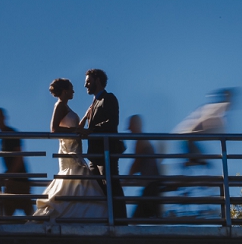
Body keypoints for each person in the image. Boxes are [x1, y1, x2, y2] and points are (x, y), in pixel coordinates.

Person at [34, 78, 107, 222]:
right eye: (72, 88)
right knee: (74, 180)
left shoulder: (66, 107)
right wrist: (76, 130)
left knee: (78, 183)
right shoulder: (60, 105)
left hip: (75, 148)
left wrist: (86, 117)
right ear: (65, 91)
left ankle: (77, 216)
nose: (74, 91)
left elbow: (74, 129)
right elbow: (54, 129)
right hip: (69, 151)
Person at [80, 68, 126, 220]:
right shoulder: (93, 104)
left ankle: (120, 223)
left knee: (112, 187)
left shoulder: (109, 98)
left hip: (106, 152)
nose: (86, 85)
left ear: (97, 80)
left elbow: (112, 122)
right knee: (98, 191)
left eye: (88, 82)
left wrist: (91, 130)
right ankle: (107, 220)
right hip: (94, 155)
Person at [0, 108, 33, 217]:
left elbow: (19, 157)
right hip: (17, 179)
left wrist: (8, 176)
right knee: (26, 214)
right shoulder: (4, 136)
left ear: (4, 118)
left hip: (18, 180)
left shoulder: (10, 134)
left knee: (9, 215)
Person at [126, 115, 163, 219]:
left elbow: (136, 164)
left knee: (136, 218)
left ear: (136, 125)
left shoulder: (140, 141)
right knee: (156, 217)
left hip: (151, 186)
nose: (130, 130)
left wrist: (125, 181)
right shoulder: (143, 140)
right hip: (153, 185)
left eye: (131, 126)